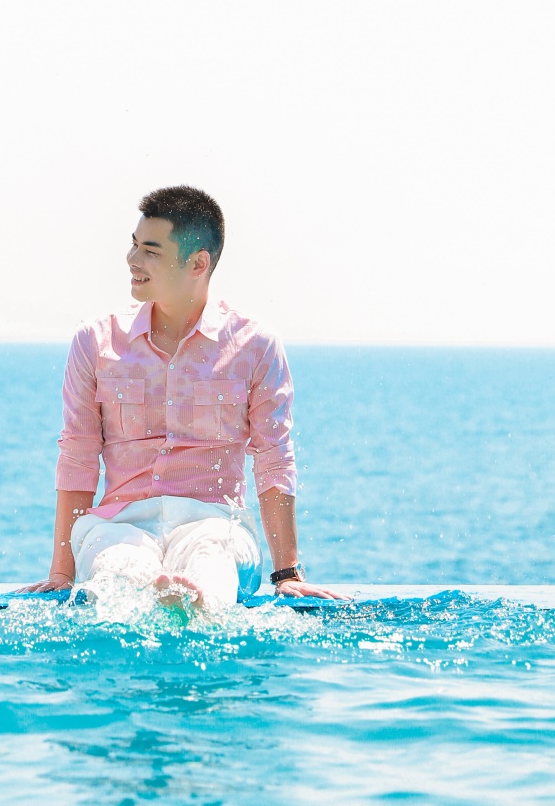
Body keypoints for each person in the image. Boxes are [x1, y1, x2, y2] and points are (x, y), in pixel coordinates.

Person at [31, 186, 335, 613]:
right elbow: (78, 455)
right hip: (119, 524)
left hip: (216, 523)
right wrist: (61, 575)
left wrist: (288, 574)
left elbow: (274, 458)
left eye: (150, 251)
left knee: (210, 559)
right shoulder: (95, 341)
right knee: (117, 567)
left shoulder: (255, 346)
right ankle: (161, 599)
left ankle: (193, 602)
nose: (132, 259)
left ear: (198, 264)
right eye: (134, 245)